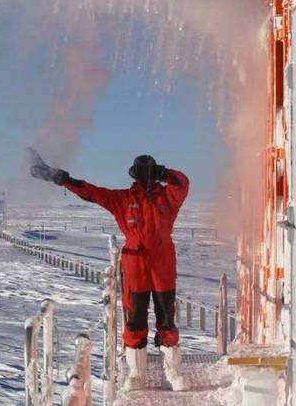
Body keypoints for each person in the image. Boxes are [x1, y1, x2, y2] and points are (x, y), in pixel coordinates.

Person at [30, 150, 189, 392]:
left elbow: (183, 183)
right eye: (144, 173)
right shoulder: (123, 199)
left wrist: (165, 172)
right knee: (134, 318)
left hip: (162, 262)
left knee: (166, 316)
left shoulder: (167, 197)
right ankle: (136, 375)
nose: (147, 177)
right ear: (135, 176)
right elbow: (91, 192)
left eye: (152, 172)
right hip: (134, 264)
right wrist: (60, 178)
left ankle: (173, 372)